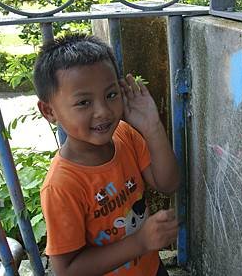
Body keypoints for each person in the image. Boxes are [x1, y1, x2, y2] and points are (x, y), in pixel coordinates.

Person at [33, 34, 180, 276]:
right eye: (83, 103)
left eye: (111, 95)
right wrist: (140, 243)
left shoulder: (125, 134)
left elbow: (168, 183)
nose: (103, 111)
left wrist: (152, 127)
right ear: (49, 111)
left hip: (151, 269)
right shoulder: (62, 185)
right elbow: (66, 270)